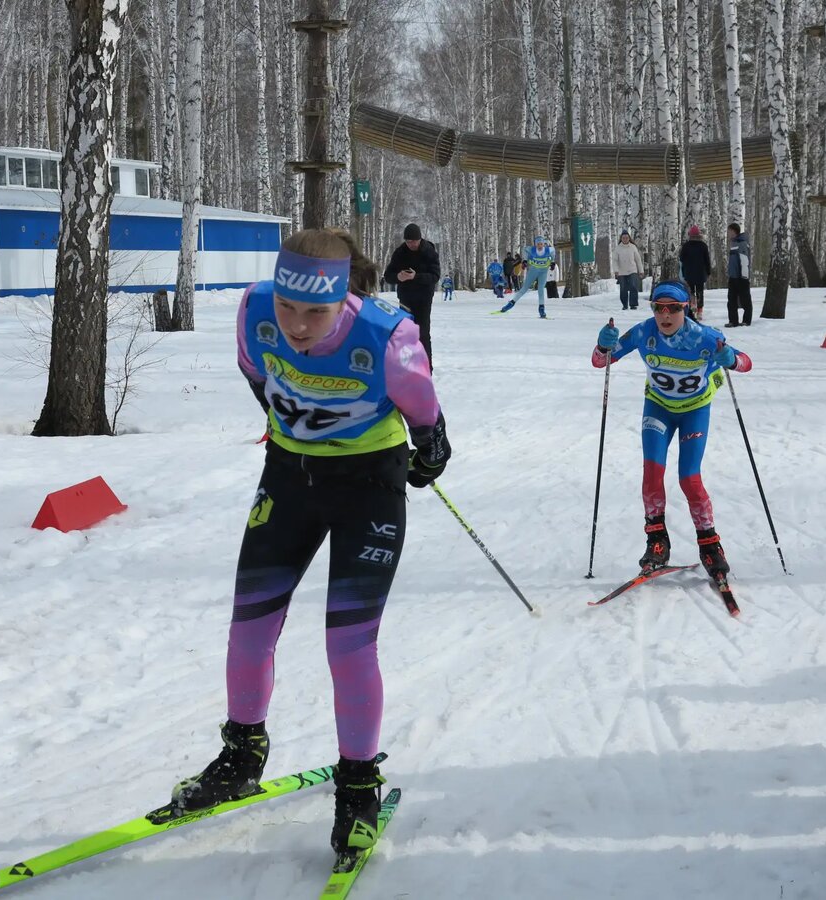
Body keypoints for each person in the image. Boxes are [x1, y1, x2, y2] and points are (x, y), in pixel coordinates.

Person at [167, 229, 450, 868]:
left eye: (315, 312)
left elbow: (426, 415)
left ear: (342, 296)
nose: (296, 325)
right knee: (250, 623)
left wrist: (430, 450)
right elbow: (254, 373)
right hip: (290, 480)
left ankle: (357, 787)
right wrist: (290, 422)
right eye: (289, 307)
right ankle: (242, 753)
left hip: (369, 487)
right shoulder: (253, 309)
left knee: (347, 643)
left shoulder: (388, 336)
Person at [591, 279, 752, 577]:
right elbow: (601, 361)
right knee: (652, 471)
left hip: (694, 411)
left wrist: (729, 359)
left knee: (689, 478)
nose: (665, 315)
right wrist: (604, 344)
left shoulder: (704, 337)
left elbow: (746, 363)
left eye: (673, 309)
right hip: (658, 408)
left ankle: (709, 544)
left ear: (685, 308)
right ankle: (657, 541)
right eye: (658, 308)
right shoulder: (643, 332)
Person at [383, 223, 441, 366]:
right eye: (408, 242)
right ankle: (407, 365)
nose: (411, 244)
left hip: (423, 298)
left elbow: (434, 276)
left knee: (423, 333)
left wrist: (416, 277)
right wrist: (398, 277)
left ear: (420, 239)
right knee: (406, 333)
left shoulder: (429, 251)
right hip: (405, 299)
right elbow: (388, 276)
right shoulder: (400, 252)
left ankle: (426, 367)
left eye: (414, 241)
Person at [497, 235, 554, 318]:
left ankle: (541, 309)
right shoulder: (531, 250)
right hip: (533, 272)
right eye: (538, 244)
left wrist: (552, 262)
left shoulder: (548, 250)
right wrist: (525, 260)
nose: (540, 246)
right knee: (524, 289)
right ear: (535, 245)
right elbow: (524, 250)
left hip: (543, 272)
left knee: (541, 290)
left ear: (544, 244)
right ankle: (510, 304)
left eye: (541, 244)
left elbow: (553, 252)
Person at [678, 225, 712, 318]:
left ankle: (692, 307)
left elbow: (682, 260)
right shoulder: (703, 245)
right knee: (700, 291)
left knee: (691, 291)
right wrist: (708, 272)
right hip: (701, 273)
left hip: (689, 273)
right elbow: (707, 260)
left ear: (690, 235)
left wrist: (683, 273)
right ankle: (700, 310)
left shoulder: (686, 246)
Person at [725, 223, 752, 327]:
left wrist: (744, 277)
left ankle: (746, 320)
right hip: (733, 276)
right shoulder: (733, 243)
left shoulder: (742, 243)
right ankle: (733, 321)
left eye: (729, 231)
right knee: (731, 300)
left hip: (741, 277)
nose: (728, 234)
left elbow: (744, 261)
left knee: (745, 300)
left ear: (734, 231)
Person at [612, 230, 645, 311]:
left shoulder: (633, 247)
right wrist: (616, 270)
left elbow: (638, 260)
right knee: (623, 289)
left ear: (629, 238)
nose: (625, 239)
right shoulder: (618, 248)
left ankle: (633, 304)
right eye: (623, 238)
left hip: (632, 270)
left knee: (634, 286)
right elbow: (615, 261)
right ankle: (625, 305)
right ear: (621, 238)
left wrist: (641, 271)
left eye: (627, 237)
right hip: (621, 272)